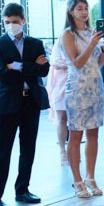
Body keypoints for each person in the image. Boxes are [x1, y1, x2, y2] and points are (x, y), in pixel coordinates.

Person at [0, 2, 50, 206]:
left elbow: (44, 71)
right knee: (2, 150)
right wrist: (31, 66)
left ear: (23, 20)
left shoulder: (35, 44)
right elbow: (2, 74)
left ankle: (23, 190)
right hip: (7, 103)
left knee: (28, 148)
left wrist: (15, 66)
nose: (11, 25)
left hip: (31, 100)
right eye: (7, 22)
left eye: (15, 21)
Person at [61, 0, 104, 198]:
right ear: (71, 11)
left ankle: (91, 176)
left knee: (93, 133)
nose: (84, 12)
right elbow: (77, 63)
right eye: (79, 8)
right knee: (76, 134)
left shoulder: (92, 32)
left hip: (95, 87)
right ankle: (77, 179)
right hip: (77, 90)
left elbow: (98, 64)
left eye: (86, 8)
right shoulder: (68, 35)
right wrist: (91, 44)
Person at [46, 36, 69, 166]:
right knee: (61, 118)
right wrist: (74, 63)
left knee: (76, 119)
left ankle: (73, 149)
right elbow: (55, 63)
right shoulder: (61, 40)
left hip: (78, 83)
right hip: (60, 84)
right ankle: (62, 150)